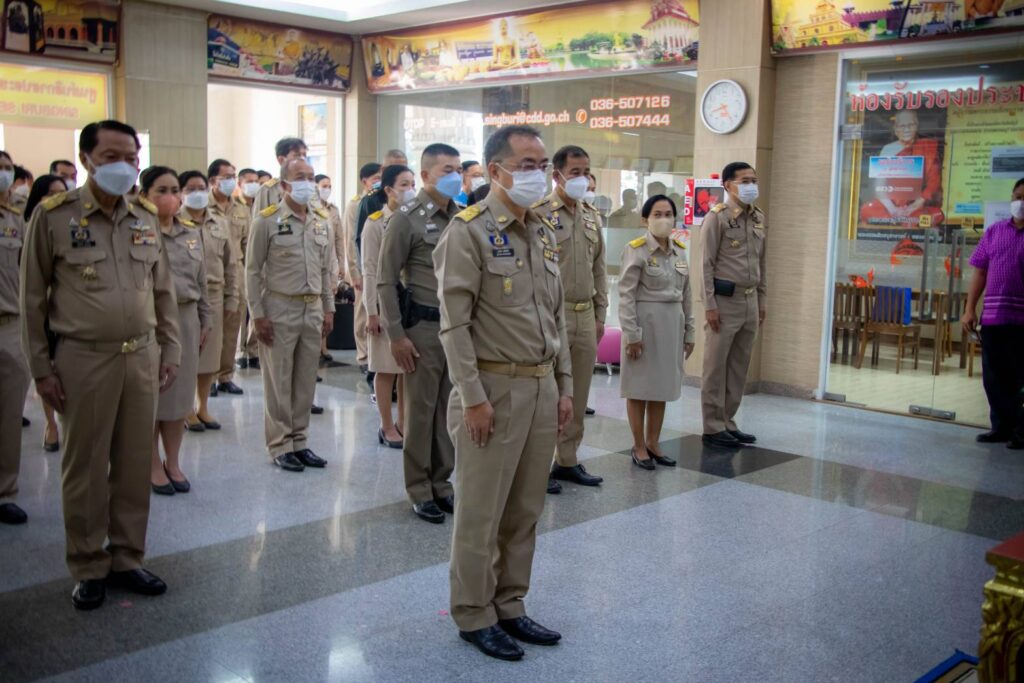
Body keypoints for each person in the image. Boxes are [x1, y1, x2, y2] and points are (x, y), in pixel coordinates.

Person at [20, 120, 182, 610]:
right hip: (83, 358)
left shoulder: (144, 215)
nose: (123, 166)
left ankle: (128, 556)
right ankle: (88, 564)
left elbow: (163, 291)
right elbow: (32, 299)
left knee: (134, 463)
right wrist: (41, 368)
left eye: (131, 157)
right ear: (86, 159)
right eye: (111, 157)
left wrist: (170, 349)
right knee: (85, 467)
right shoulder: (53, 216)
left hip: (141, 356)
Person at [435, 124, 573, 661]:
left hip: (540, 386)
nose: (540, 174)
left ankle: (510, 603)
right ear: (496, 171)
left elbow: (555, 317)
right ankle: (473, 613)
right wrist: (472, 397)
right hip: (492, 388)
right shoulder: (467, 231)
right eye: (527, 165)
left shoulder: (542, 229)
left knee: (524, 509)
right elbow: (454, 325)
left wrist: (564, 387)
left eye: (543, 164)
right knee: (480, 512)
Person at [377, 143, 460, 523]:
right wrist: (396, 335)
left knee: (448, 412)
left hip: (456, 329)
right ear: (425, 175)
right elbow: (385, 281)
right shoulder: (406, 219)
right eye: (447, 170)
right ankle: (419, 488)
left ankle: (442, 482)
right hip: (423, 328)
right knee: (421, 413)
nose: (455, 176)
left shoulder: (462, 217)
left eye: (458, 169)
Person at [246, 157, 334, 472]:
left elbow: (325, 270)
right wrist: (257, 315)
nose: (307, 183)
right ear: (284, 184)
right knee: (278, 380)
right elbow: (252, 271)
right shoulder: (266, 220)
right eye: (300, 177)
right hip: (279, 308)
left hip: (313, 308)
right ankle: (280, 444)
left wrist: (329, 307)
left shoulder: (321, 220)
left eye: (311, 177)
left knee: (305, 380)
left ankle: (300, 441)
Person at [532, 145, 607, 494]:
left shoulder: (591, 215)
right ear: (557, 175)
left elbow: (599, 269)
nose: (582, 179)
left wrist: (601, 314)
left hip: (585, 315)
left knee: (578, 394)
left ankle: (567, 459)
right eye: (575, 172)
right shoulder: (539, 213)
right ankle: (538, 465)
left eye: (586, 172)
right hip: (551, 317)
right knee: (549, 396)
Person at [141, 166, 210, 495]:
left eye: (174, 190)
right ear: (144, 196)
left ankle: (173, 461)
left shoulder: (191, 233)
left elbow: (202, 282)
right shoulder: (139, 232)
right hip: (151, 320)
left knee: (180, 396)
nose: (170, 197)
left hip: (187, 318)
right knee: (153, 396)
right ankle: (152, 462)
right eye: (161, 191)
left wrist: (205, 319)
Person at [619, 194, 695, 469]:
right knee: (639, 387)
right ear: (645, 220)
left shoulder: (680, 251)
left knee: (662, 387)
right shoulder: (636, 250)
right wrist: (632, 334)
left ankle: (653, 442)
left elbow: (687, 293)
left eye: (669, 214)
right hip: (645, 325)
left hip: (672, 326)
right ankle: (638, 445)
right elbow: (626, 295)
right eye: (658, 215)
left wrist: (690, 331)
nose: (664, 220)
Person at [699, 162, 766, 448]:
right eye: (745, 181)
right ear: (728, 185)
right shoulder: (717, 218)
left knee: (739, 366)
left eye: (754, 180)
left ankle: (728, 421)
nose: (751, 186)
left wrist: (762, 300)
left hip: (750, 300)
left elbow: (762, 263)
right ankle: (712, 426)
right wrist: (709, 305)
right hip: (724, 302)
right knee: (716, 367)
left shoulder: (758, 217)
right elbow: (705, 264)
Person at [964, 177, 1024, 449]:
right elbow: (979, 271)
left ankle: (1021, 432)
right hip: (994, 319)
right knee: (994, 378)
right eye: (1017, 197)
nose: (1020, 203)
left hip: (1021, 322)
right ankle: (1001, 427)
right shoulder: (994, 232)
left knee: (1019, 379)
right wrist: (969, 309)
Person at [362, 164, 415, 448]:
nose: (410, 190)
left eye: (412, 184)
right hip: (384, 304)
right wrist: (371, 311)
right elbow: (370, 270)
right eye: (404, 184)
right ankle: (385, 425)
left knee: (407, 368)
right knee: (385, 368)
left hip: (409, 305)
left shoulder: (414, 219)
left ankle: (404, 422)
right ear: (389, 190)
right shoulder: (375, 224)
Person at [179, 171, 236, 432]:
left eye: (201, 188)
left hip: (214, 293)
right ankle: (186, 408)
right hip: (185, 296)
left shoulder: (219, 222)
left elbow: (230, 263)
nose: (197, 193)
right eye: (190, 189)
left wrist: (232, 297)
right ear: (181, 193)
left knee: (210, 356)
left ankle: (202, 406)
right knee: (186, 354)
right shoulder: (174, 222)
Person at [22, 174, 70, 453]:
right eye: (51, 193)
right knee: (48, 369)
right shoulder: (30, 226)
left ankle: (60, 421)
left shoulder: (70, 227)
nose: (58, 198)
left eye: (63, 192)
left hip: (64, 311)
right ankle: (50, 424)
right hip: (43, 310)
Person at [0, 150, 29, 526]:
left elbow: (30, 275)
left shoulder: (15, 220)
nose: (3, 175)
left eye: (7, 169)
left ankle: (4, 491)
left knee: (8, 416)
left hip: (9, 325)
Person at [859, 110, 944, 227]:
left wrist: (911, 208)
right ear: (895, 129)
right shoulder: (888, 150)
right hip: (889, 207)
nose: (906, 129)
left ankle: (896, 220)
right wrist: (892, 209)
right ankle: (904, 221)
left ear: (917, 126)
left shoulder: (928, 148)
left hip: (915, 207)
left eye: (911, 125)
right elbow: (879, 186)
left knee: (938, 214)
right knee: (866, 210)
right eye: (902, 126)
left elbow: (933, 185)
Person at [207, 159, 248, 396]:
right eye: (227, 177)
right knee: (211, 328)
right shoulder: (204, 207)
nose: (232, 180)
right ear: (213, 180)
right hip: (211, 272)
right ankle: (208, 378)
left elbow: (247, 243)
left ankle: (225, 376)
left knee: (232, 327)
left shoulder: (241, 209)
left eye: (233, 176)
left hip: (237, 273)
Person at [236, 168, 262, 370]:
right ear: (240, 184)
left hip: (258, 266)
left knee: (256, 310)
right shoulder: (235, 208)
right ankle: (240, 352)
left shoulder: (261, 207)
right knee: (240, 312)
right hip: (239, 266)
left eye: (256, 181)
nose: (254, 185)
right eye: (249, 181)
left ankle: (253, 350)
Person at [252, 138, 309, 214]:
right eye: (297, 155)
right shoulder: (267, 190)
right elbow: (259, 220)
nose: (302, 159)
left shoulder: (312, 187)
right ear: (281, 160)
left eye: (304, 155)